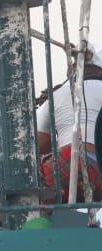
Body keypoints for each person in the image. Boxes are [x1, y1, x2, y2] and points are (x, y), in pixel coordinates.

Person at [35, 49, 102, 203]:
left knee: (26, 192)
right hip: (99, 169)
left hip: (66, 162)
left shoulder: (56, 95)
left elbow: (40, 146)